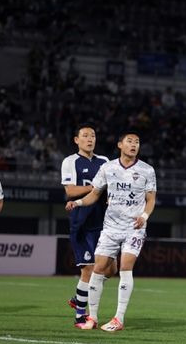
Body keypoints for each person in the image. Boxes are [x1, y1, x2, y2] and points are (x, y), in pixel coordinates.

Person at [65, 131, 156, 332]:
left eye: (137, 142)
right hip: (110, 227)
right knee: (98, 269)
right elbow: (95, 194)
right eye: (130, 141)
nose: (134, 145)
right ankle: (93, 318)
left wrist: (144, 217)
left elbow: (151, 200)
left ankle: (118, 318)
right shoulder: (108, 167)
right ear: (120, 145)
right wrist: (77, 202)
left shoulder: (147, 170)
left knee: (125, 267)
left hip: (134, 227)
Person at [60, 124, 111, 328]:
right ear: (76, 140)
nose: (90, 139)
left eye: (93, 135)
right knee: (89, 269)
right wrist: (95, 188)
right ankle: (81, 315)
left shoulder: (104, 161)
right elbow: (70, 191)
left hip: (102, 223)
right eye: (85, 136)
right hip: (81, 222)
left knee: (109, 268)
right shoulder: (70, 161)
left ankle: (78, 298)